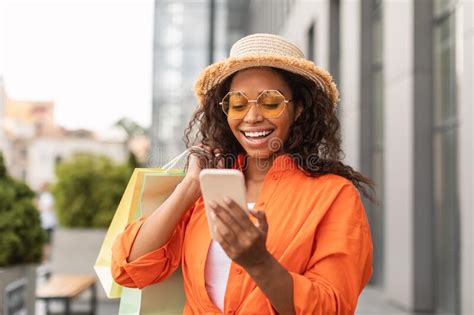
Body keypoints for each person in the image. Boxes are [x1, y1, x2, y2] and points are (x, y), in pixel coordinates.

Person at [112, 33, 373, 314]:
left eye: (270, 102)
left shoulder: (334, 195)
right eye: (237, 103)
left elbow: (332, 307)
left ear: (298, 109)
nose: (251, 117)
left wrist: (259, 262)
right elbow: (128, 268)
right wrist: (189, 186)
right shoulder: (206, 188)